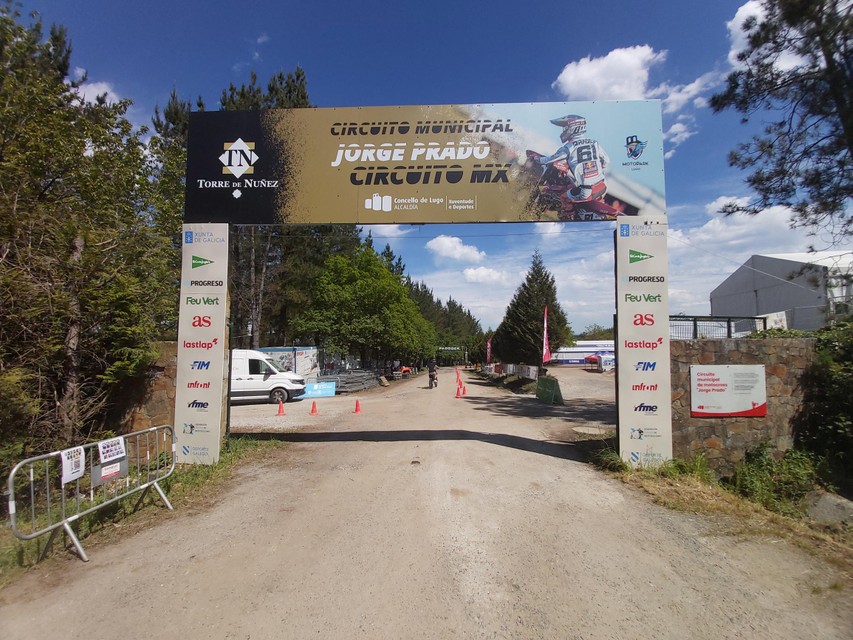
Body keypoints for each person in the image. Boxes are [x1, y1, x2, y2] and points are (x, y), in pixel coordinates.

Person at [528, 114, 609, 202]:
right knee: (572, 188)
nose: (564, 130)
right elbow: (606, 161)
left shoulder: (568, 147)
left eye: (565, 128)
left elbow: (548, 160)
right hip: (603, 186)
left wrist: (536, 158)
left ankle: (568, 214)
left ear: (573, 128)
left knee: (563, 197)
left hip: (586, 191)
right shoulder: (594, 143)